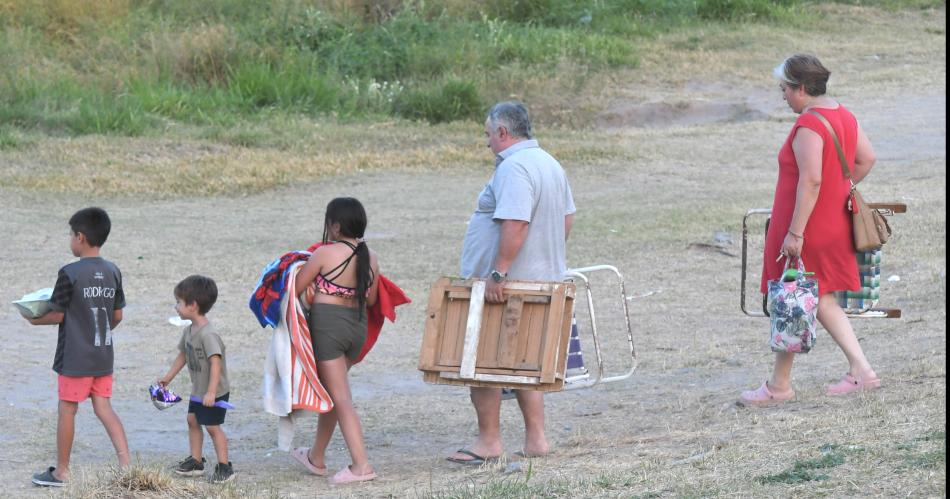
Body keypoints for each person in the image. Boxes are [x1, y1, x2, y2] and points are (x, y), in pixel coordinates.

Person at [739, 54, 880, 406]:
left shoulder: (809, 126)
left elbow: (812, 179)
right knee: (818, 298)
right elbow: (866, 159)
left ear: (801, 88)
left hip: (807, 227)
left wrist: (795, 232)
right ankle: (859, 371)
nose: (782, 96)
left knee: (792, 294)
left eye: (785, 89)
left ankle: (779, 386)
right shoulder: (842, 115)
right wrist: (837, 191)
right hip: (829, 221)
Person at [449, 101, 576, 464]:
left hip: (507, 285)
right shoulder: (549, 162)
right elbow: (566, 219)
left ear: (503, 133)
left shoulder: (514, 168)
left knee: (481, 361)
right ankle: (536, 439)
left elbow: (515, 222)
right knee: (523, 363)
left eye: (488, 134)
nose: (487, 142)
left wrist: (498, 273)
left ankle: (489, 441)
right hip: (539, 279)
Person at [22, 207, 130, 487]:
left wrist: (33, 319)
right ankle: (126, 467)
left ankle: (62, 472)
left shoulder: (69, 273)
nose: (70, 240)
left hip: (75, 358)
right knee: (104, 407)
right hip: (103, 356)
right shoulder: (113, 271)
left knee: (67, 409)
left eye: (71, 235)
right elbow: (117, 316)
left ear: (80, 237)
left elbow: (57, 314)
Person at [290, 197, 381, 484]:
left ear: (336, 225)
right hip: (356, 329)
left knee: (341, 398)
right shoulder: (371, 257)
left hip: (328, 328)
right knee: (333, 393)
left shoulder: (325, 254)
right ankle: (316, 457)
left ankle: (361, 466)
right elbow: (374, 299)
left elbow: (295, 289)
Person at [158, 275, 234, 483]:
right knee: (192, 420)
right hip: (199, 388)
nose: (176, 307)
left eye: (179, 303)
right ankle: (196, 461)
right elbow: (183, 355)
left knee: (212, 427)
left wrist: (211, 392)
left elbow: (216, 363)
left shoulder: (208, 335)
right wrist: (168, 378)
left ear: (192, 305)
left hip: (214, 390)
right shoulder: (189, 330)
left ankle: (225, 466)